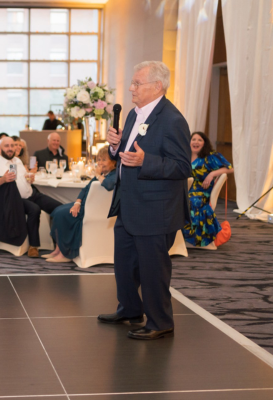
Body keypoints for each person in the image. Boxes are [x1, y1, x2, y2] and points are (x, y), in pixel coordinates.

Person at [97, 61, 191, 340]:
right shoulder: (133, 115)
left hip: (155, 209)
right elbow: (123, 154)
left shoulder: (172, 120)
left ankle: (160, 321)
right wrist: (115, 146)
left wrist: (145, 161)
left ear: (157, 87)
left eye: (137, 84)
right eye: (133, 83)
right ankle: (130, 309)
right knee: (124, 262)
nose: (131, 88)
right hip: (128, 203)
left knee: (153, 269)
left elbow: (182, 167)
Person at [0, 137, 62, 258]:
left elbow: (24, 177)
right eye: (6, 146)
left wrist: (29, 177)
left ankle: (60, 244)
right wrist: (1, 180)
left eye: (12, 146)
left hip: (32, 194)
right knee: (34, 209)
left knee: (59, 208)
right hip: (15, 200)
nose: (10, 149)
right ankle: (33, 246)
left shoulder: (17, 161)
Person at [45, 146, 117, 262]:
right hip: (85, 205)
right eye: (98, 159)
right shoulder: (104, 174)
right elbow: (85, 189)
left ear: (113, 162)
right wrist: (77, 203)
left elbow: (109, 185)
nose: (100, 163)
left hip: (94, 211)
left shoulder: (114, 175)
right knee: (57, 210)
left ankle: (65, 254)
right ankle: (59, 249)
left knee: (62, 215)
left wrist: (98, 175)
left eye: (104, 160)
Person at [183, 132, 234, 247]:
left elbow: (230, 169)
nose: (196, 142)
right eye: (193, 139)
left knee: (189, 202)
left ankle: (192, 237)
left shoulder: (210, 156)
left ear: (204, 143)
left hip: (201, 192)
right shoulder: (184, 155)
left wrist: (212, 174)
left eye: (199, 140)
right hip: (185, 189)